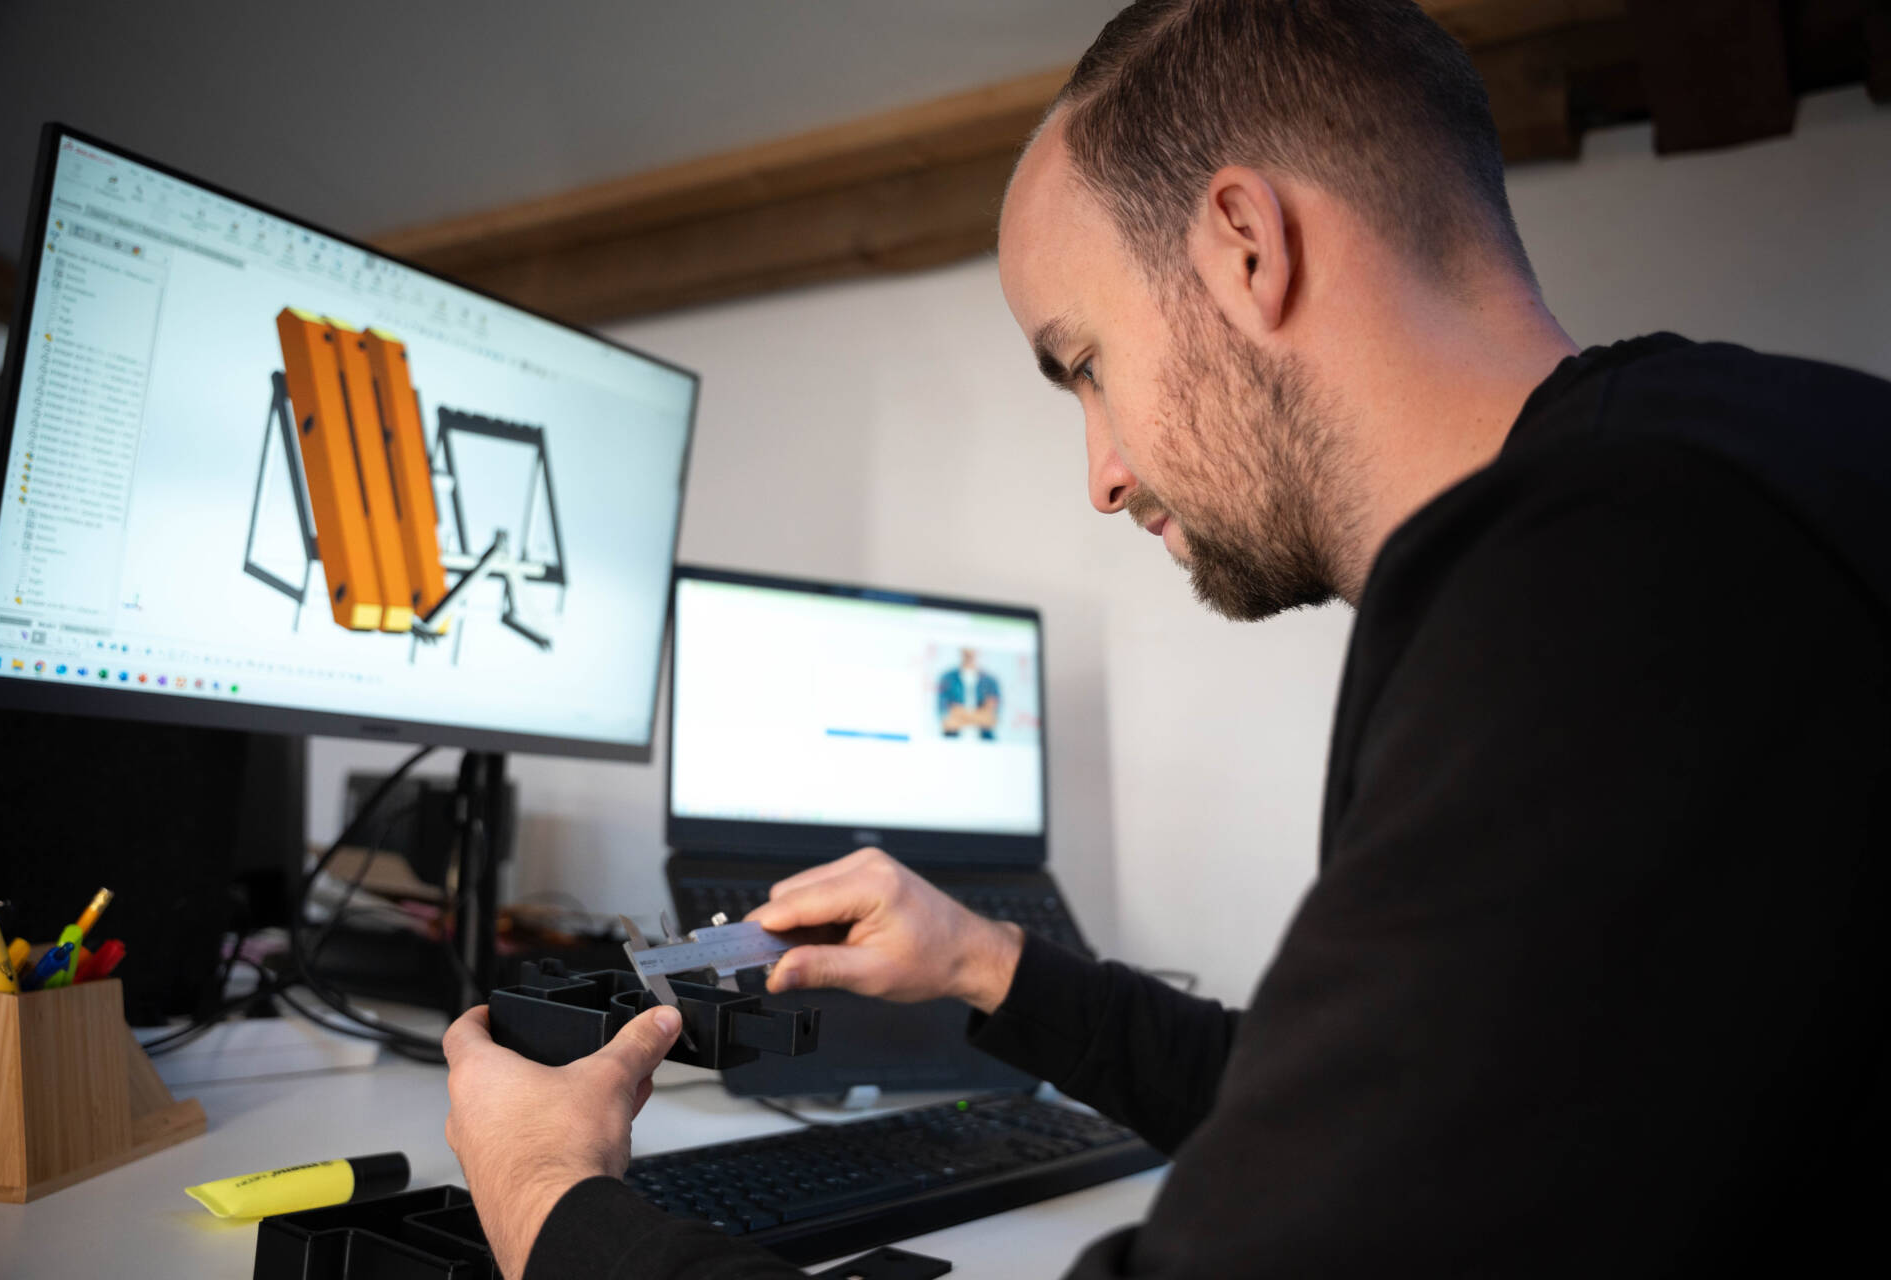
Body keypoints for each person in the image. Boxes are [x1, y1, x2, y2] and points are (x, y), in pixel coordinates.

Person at [442, 2, 1891, 1276]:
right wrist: (993, 967)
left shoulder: (1607, 589)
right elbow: (1366, 1134)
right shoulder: (1712, 476)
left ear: (1247, 245)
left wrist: (555, 1205)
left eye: (1083, 366)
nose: (1104, 475)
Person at [937, 647, 1002, 739]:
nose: (970, 653)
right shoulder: (948, 679)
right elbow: (948, 721)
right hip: (952, 741)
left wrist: (959, 714)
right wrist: (980, 715)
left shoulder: (990, 682)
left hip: (986, 742)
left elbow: (990, 720)